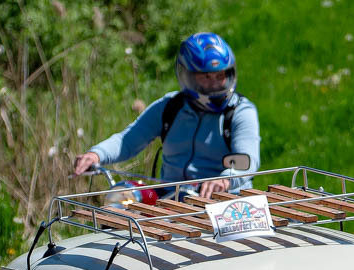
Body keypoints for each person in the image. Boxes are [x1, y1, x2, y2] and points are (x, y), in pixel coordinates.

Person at [72, 33, 260, 200]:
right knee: (120, 200)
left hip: (223, 201)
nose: (215, 84)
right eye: (206, 77)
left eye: (220, 76)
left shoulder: (240, 112)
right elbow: (128, 140)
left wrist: (225, 180)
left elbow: (247, 159)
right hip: (171, 197)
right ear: (187, 76)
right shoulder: (170, 107)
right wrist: (96, 154)